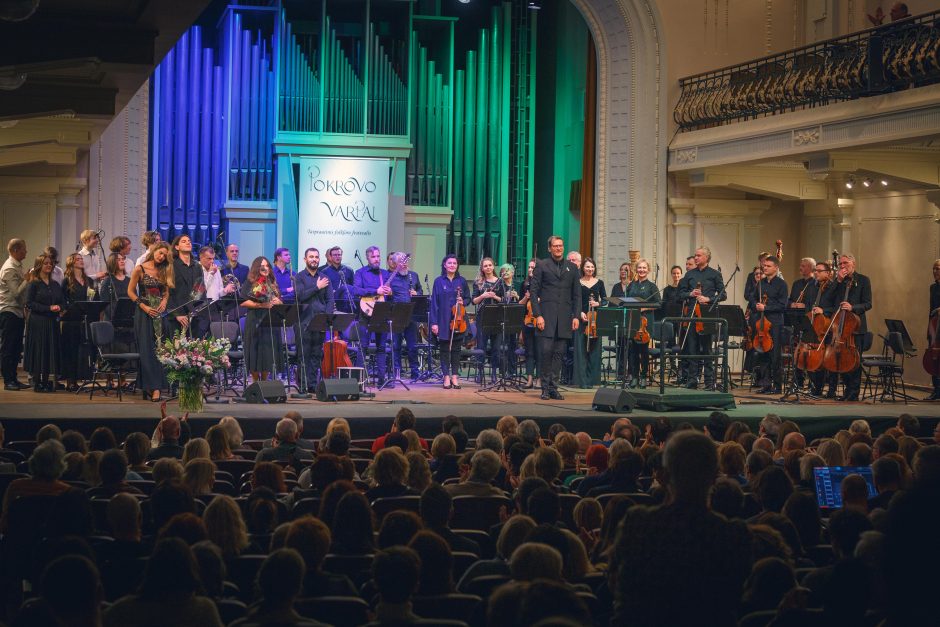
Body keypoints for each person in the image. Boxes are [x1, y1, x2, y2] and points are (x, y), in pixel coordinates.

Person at [611, 431, 752, 625]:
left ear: (665, 474)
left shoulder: (637, 524)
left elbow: (615, 583)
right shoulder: (733, 535)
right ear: (714, 476)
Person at [529, 235, 581, 400]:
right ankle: (544, 387)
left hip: (565, 318)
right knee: (546, 353)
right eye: (555, 246)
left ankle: (553, 387)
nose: (558, 248)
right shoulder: (542, 265)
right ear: (549, 248)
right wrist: (538, 315)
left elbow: (577, 295)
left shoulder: (572, 268)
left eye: (561, 246)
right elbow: (533, 292)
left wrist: (576, 316)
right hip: (546, 317)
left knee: (559, 354)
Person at [821, 253, 871, 401]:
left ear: (853, 264)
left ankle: (853, 393)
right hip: (839, 328)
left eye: (845, 263)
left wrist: (853, 307)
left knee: (854, 362)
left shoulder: (863, 280)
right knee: (841, 360)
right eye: (841, 264)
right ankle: (846, 391)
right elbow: (827, 299)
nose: (843, 266)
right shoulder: (838, 282)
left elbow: (868, 303)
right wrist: (838, 280)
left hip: (856, 327)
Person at [128, 242, 172, 401]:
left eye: (165, 255)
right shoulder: (140, 268)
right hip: (144, 313)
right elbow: (130, 292)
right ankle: (152, 387)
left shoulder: (164, 269)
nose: (162, 257)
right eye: (160, 253)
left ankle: (157, 387)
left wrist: (164, 302)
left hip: (160, 313)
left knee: (160, 349)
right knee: (147, 351)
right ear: (154, 251)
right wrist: (144, 307)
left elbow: (166, 291)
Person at [678, 246, 725, 391]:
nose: (696, 258)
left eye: (698, 255)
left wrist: (709, 298)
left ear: (706, 257)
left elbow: (723, 295)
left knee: (707, 350)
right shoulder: (689, 274)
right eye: (695, 255)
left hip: (707, 315)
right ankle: (692, 380)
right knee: (692, 349)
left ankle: (709, 382)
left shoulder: (715, 274)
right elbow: (680, 294)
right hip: (692, 314)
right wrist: (690, 294)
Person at [294, 247, 334, 392]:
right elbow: (300, 296)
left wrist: (327, 318)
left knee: (316, 355)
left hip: (319, 322)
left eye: (316, 257)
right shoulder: (298, 277)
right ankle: (303, 385)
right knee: (303, 354)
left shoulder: (325, 278)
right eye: (311, 257)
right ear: (305, 259)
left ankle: (312, 385)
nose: (314, 259)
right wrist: (316, 287)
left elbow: (330, 300)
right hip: (303, 322)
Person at [24, 253, 65, 393]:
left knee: (49, 350)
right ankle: (37, 381)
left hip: (52, 321)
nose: (49, 265)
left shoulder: (54, 284)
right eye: (46, 263)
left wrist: (61, 308)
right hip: (38, 322)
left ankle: (46, 380)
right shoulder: (34, 284)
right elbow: (29, 304)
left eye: (50, 263)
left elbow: (61, 300)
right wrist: (48, 308)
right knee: (39, 351)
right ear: (39, 265)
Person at [240, 256, 283, 383]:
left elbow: (278, 299)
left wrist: (278, 301)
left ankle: (264, 382)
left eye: (267, 266)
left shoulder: (272, 282)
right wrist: (260, 304)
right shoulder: (250, 282)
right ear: (257, 268)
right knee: (255, 351)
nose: (265, 268)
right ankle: (255, 382)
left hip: (270, 320)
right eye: (262, 266)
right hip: (255, 321)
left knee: (268, 353)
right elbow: (243, 302)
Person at [748, 255, 787, 394]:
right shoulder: (760, 283)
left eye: (768, 266)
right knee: (762, 354)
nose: (765, 267)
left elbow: (783, 305)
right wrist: (756, 305)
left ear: (776, 267)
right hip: (761, 324)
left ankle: (777, 386)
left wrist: (766, 308)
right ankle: (765, 384)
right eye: (764, 265)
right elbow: (751, 299)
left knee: (775, 355)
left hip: (775, 323)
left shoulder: (782, 284)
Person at [353, 245, 392, 386]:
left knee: (381, 347)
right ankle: (359, 380)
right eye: (373, 257)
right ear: (367, 258)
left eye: (378, 256)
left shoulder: (385, 274)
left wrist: (389, 292)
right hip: (365, 313)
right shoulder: (360, 273)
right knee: (363, 346)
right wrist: (376, 290)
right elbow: (357, 290)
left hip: (381, 313)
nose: (376, 259)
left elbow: (389, 292)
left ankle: (382, 380)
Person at [430, 253, 470, 390]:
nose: (452, 265)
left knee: (456, 350)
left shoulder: (462, 281)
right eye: (450, 263)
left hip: (458, 321)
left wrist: (462, 301)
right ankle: (446, 376)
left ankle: (454, 376)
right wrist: (434, 323)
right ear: (444, 265)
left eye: (454, 263)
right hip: (443, 320)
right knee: (444, 349)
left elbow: (468, 299)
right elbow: (434, 304)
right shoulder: (438, 281)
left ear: (457, 265)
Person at [61, 252, 96, 392]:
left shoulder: (89, 280)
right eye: (78, 259)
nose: (81, 260)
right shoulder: (66, 280)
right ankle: (71, 380)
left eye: (82, 259)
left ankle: (82, 377)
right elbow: (62, 299)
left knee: (84, 350)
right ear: (71, 262)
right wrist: (68, 308)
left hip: (85, 320)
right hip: (71, 320)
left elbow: (94, 297)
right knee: (71, 350)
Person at [625, 259, 660, 388]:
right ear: (636, 269)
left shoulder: (652, 286)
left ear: (648, 270)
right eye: (639, 268)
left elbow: (658, 303)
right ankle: (634, 377)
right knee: (633, 350)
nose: (642, 270)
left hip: (646, 321)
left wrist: (645, 308)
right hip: (633, 319)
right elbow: (626, 300)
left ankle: (644, 376)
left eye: (644, 268)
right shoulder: (631, 285)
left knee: (644, 350)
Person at [388, 252, 422, 381]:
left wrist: (417, 293)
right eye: (401, 261)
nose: (405, 263)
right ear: (395, 263)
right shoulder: (391, 277)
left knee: (412, 346)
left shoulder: (414, 275)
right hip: (396, 315)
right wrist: (389, 294)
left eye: (406, 261)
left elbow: (420, 291)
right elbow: (386, 296)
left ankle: (415, 372)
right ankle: (397, 373)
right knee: (396, 345)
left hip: (411, 315)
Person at [574, 257, 606, 388]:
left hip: (594, 319)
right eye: (587, 267)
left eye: (592, 267)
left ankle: (593, 380)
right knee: (581, 350)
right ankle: (582, 381)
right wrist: (579, 313)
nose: (590, 269)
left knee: (594, 350)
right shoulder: (578, 282)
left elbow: (605, 300)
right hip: (582, 318)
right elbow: (575, 300)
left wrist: (597, 303)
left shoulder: (599, 283)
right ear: (583, 268)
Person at [471, 257, 505, 381]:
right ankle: (480, 372)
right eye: (485, 266)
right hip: (483, 317)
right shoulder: (478, 283)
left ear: (493, 266)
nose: (488, 268)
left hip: (496, 317)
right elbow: (474, 301)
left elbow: (504, 300)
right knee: (481, 346)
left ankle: (494, 373)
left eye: (490, 265)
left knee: (496, 347)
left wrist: (495, 297)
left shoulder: (500, 282)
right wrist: (483, 295)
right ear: (482, 268)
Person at [518, 258, 539, 388]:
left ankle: (540, 379)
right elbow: (520, 305)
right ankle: (530, 379)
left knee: (540, 351)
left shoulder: (543, 284)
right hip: (527, 321)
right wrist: (526, 297)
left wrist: (538, 298)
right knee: (529, 351)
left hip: (539, 321)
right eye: (529, 267)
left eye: (533, 267)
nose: (531, 269)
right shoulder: (524, 284)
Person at [321, 246, 355, 313]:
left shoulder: (349, 270)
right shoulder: (324, 272)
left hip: (346, 305)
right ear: (330, 257)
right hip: (332, 305)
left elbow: (353, 287)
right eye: (335, 255)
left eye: (339, 255)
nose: (337, 257)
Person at [928, 258, 940, 400]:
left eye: (938, 268)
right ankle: (936, 389)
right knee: (933, 359)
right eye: (934, 268)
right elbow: (931, 309)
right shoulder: (933, 287)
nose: (935, 271)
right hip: (934, 327)